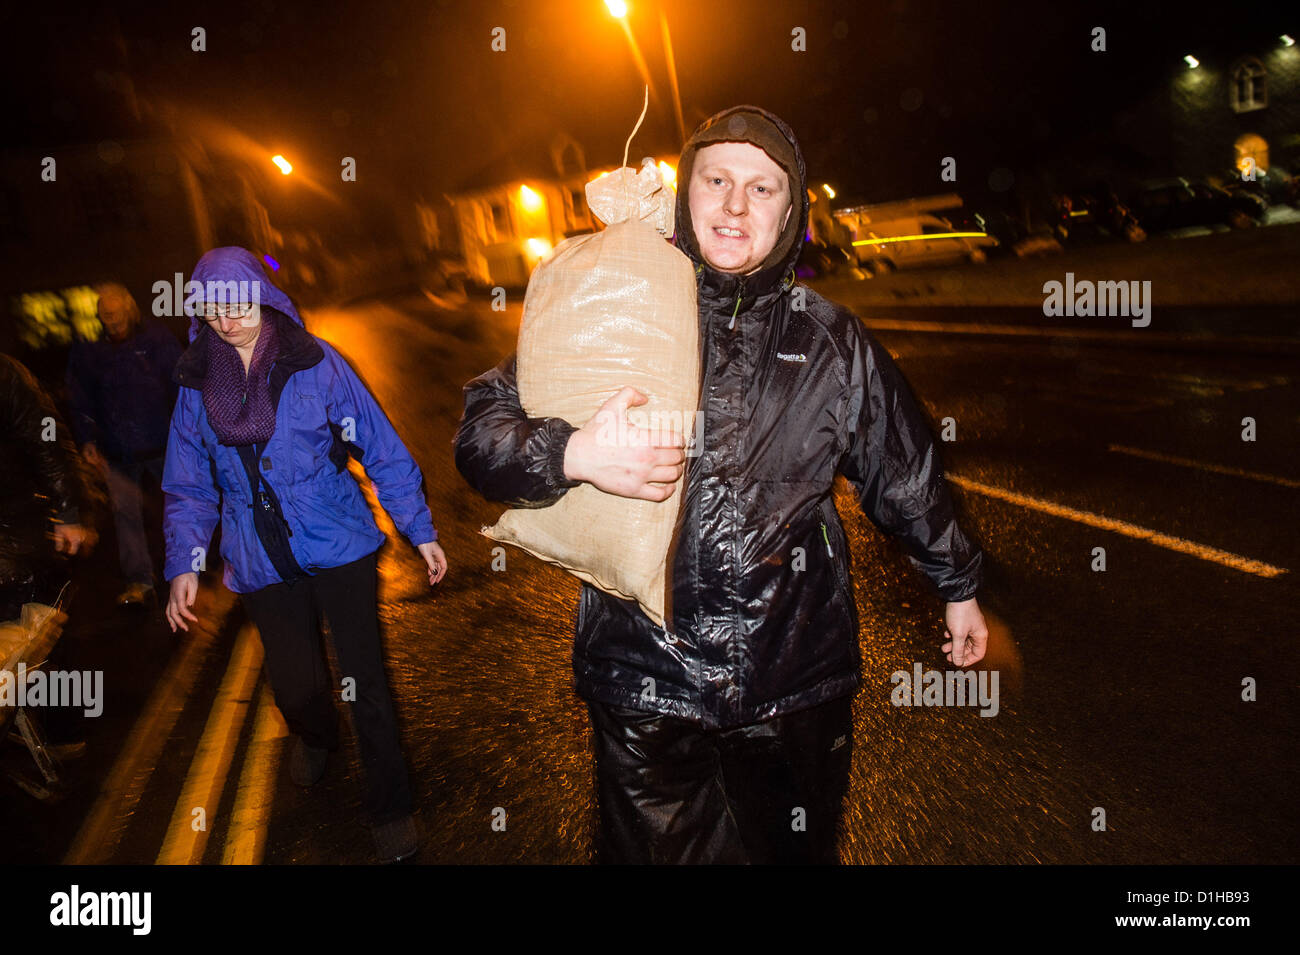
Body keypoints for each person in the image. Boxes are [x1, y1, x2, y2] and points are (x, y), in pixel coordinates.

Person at [455, 106, 989, 864]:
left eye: (762, 188)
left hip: (794, 682)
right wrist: (571, 453)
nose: (736, 205)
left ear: (790, 212)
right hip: (644, 685)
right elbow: (480, 436)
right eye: (717, 180)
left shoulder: (831, 339)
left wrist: (957, 583)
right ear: (686, 194)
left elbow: (901, 465)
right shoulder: (620, 306)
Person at [162, 247, 447, 863]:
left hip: (339, 542)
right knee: (296, 688)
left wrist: (418, 528)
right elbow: (187, 482)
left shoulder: (315, 363)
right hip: (258, 558)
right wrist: (185, 563)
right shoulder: (194, 382)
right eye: (213, 308)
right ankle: (314, 735)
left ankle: (390, 806)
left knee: (364, 681)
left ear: (263, 299)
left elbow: (378, 443)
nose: (228, 319)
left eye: (239, 304)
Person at [66, 282, 182, 607]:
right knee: (125, 515)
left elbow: (181, 385)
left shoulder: (157, 340)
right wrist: (87, 437)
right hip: (116, 450)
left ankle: (187, 570)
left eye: (116, 316)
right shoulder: (90, 349)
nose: (112, 323)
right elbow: (80, 396)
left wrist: (188, 432)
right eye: (105, 317)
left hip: (163, 445)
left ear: (130, 310)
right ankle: (139, 581)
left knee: (178, 509)